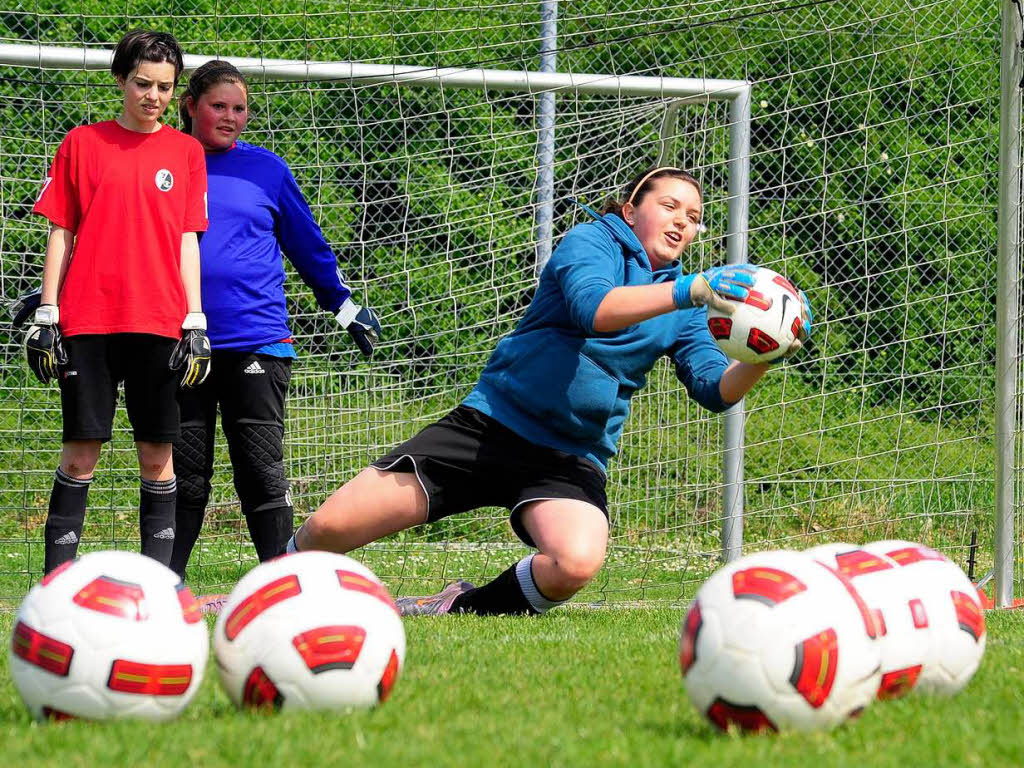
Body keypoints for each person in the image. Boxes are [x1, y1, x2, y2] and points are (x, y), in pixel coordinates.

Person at [249, 166, 809, 618]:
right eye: (670, 206)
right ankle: (259, 596)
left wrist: (762, 354)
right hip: (489, 428)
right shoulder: (594, 241)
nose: (683, 222)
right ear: (632, 206)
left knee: (577, 561)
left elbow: (714, 390)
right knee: (330, 529)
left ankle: (460, 605)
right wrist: (691, 290)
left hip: (568, 458)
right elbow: (597, 310)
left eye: (694, 218)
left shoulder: (688, 301)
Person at [169, 60, 382, 580]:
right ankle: (164, 590)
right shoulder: (164, 163)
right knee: (183, 477)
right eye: (218, 105)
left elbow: (306, 245)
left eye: (239, 108)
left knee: (261, 473)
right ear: (190, 106)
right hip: (177, 341)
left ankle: (282, 589)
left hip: (256, 340)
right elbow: (120, 234)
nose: (230, 116)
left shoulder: (267, 169)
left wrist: (344, 306)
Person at [24, 30, 210, 574]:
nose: (153, 96)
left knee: (157, 459)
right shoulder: (82, 143)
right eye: (142, 83)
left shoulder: (186, 152)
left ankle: (157, 588)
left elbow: (186, 240)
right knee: (80, 456)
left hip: (159, 323)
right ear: (121, 80)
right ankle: (55, 588)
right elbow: (61, 230)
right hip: (87, 322)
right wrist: (46, 311)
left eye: (164, 87)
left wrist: (195, 319)